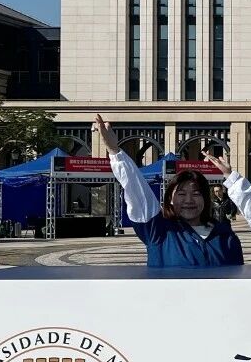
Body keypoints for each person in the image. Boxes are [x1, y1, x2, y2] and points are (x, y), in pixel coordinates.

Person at [95, 114, 243, 268]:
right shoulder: (159, 232)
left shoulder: (225, 236)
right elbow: (137, 188)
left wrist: (231, 177)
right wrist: (115, 151)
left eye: (196, 193)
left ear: (206, 198)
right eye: (181, 194)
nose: (189, 200)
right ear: (170, 199)